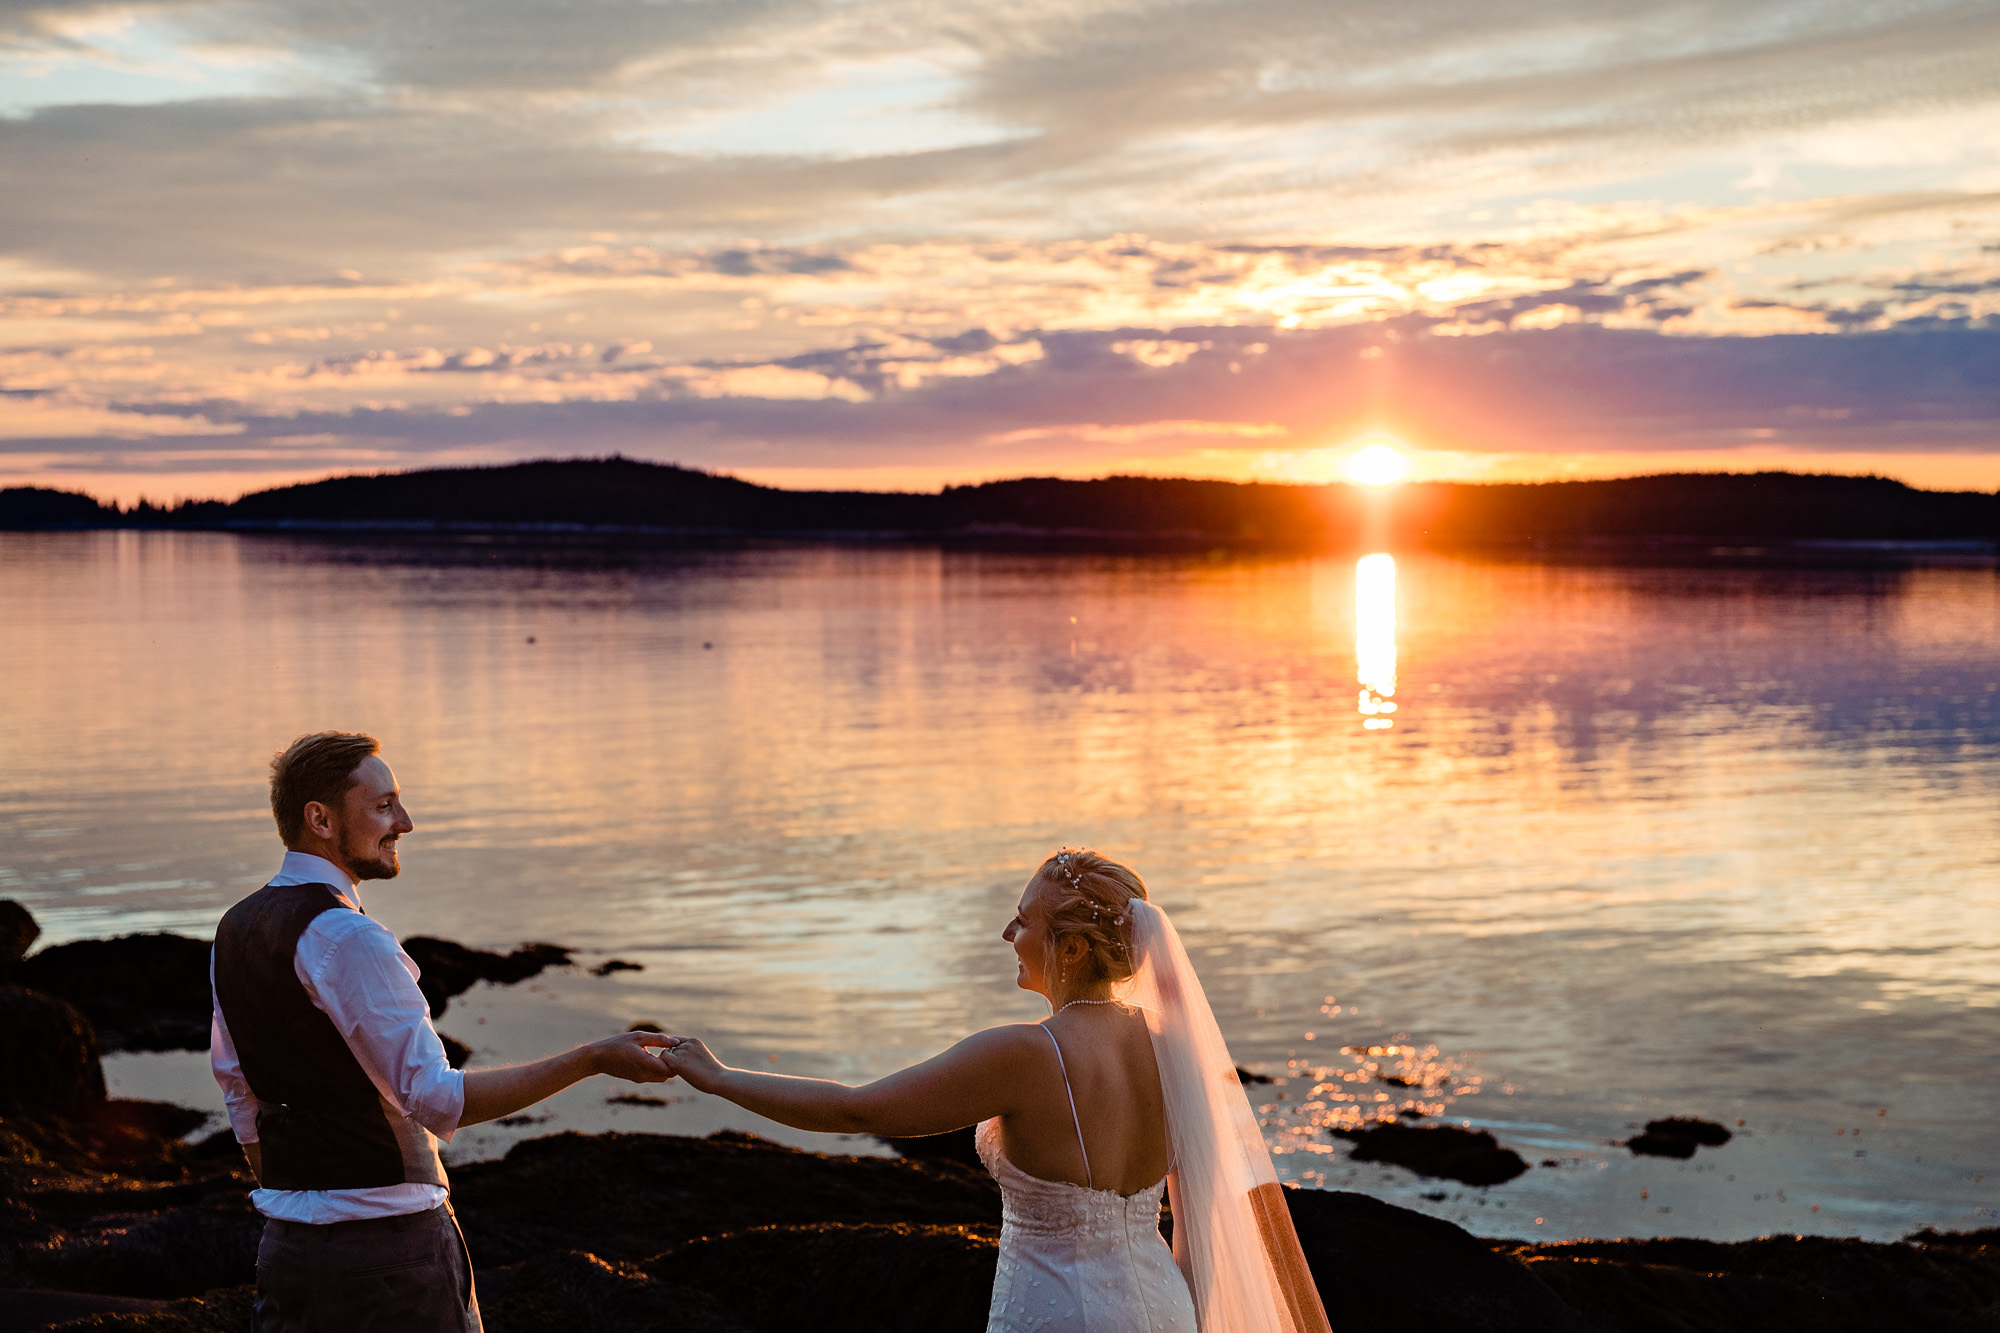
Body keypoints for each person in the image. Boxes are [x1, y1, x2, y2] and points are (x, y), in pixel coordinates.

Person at [659, 848, 1332, 1333]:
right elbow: (1199, 1218)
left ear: (1069, 950)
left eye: (1023, 921)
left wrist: (719, 1079)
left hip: (1058, 1312)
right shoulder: (1174, 1046)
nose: (1008, 934)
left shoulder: (1025, 1054)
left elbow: (855, 1106)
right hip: (1164, 1305)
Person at [209, 731, 674, 1333]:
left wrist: (305, 1197)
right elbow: (438, 1100)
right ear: (319, 819)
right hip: (388, 1260)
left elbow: (238, 1091)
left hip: (288, 1251)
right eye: (382, 806)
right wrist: (592, 1058)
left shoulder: (236, 927)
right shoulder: (350, 939)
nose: (405, 821)